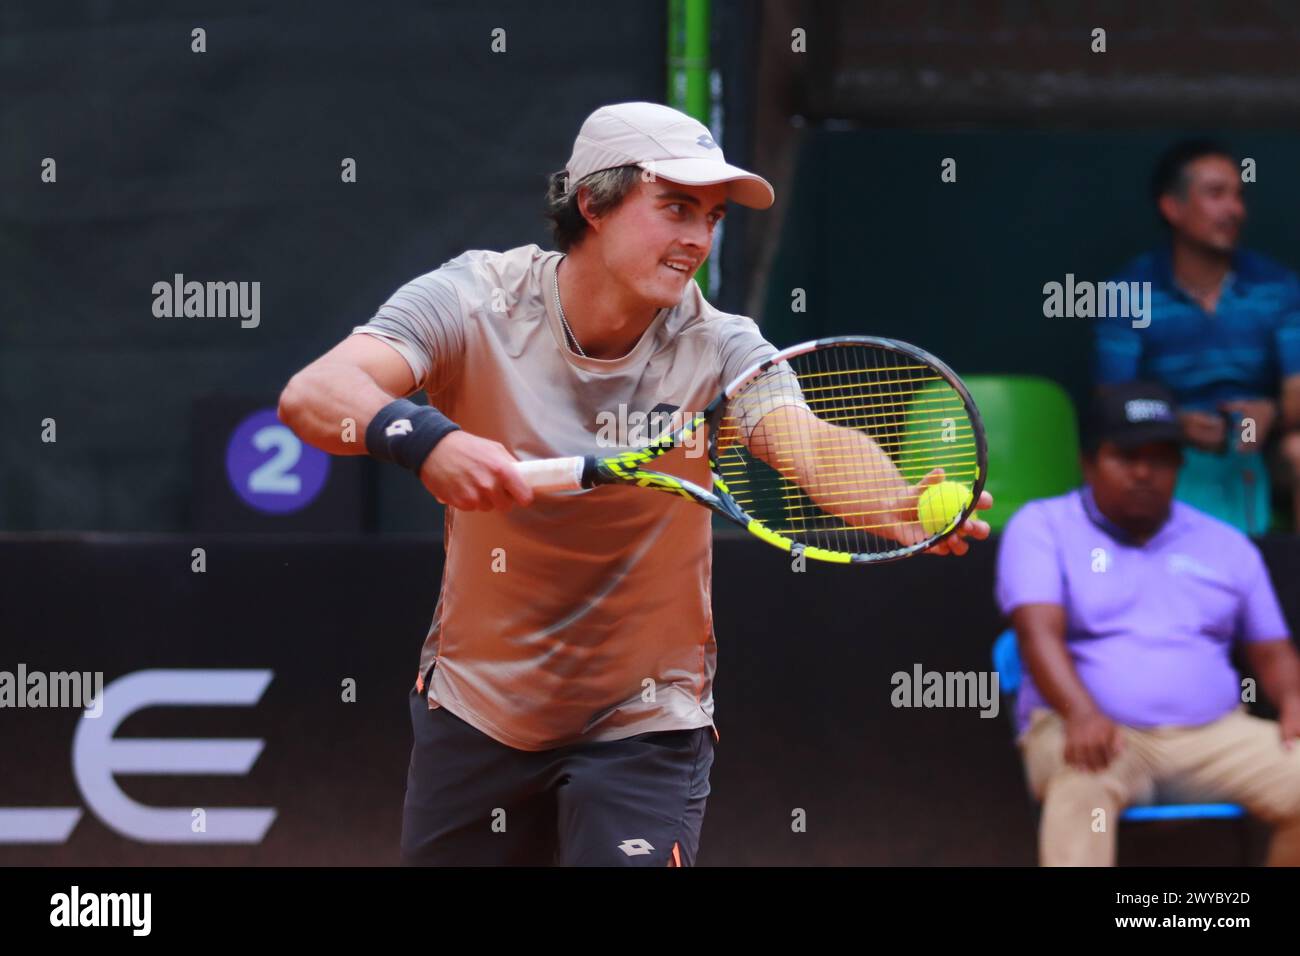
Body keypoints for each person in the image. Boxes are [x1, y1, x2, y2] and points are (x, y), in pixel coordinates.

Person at [278, 102, 992, 866]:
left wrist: (893, 503)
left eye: (712, 218)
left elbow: (807, 443)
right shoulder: (474, 301)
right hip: (477, 709)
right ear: (592, 202)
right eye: (677, 208)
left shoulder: (720, 346)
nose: (698, 239)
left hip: (646, 721)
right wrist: (428, 440)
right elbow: (316, 394)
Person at [997, 381, 1300, 866]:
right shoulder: (1042, 526)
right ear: (1089, 461)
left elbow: (1272, 649)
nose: (1143, 472)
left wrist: (1293, 701)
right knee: (1082, 784)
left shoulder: (1224, 543)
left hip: (1212, 736)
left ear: (1180, 465)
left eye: (1161, 457)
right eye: (1126, 455)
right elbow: (1037, 634)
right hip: (1093, 732)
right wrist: (1081, 714)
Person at [1095, 139, 1300, 532]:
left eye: (1238, 196)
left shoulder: (1276, 285)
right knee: (1122, 455)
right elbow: (1110, 402)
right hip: (1164, 443)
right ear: (1172, 207)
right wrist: (1174, 424)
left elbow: (1296, 392)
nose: (1234, 210)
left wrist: (1269, 414)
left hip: (1259, 446)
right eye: (1215, 194)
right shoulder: (1129, 292)